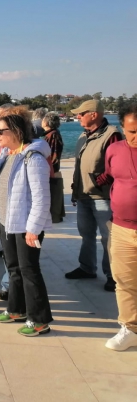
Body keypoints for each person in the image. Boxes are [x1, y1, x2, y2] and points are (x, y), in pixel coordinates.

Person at [0, 112, 54, 337]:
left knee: (29, 270)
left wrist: (34, 228)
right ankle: (16, 309)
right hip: (7, 221)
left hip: (26, 225)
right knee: (13, 268)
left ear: (16, 132)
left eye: (0, 131)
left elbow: (42, 197)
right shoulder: (6, 155)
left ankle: (39, 320)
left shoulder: (33, 158)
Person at [65, 99, 122, 292]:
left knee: (108, 238)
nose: (77, 116)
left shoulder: (111, 135)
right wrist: (77, 187)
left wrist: (99, 181)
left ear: (94, 114)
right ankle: (87, 268)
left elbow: (115, 165)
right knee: (86, 234)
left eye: (81, 113)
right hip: (83, 196)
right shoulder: (83, 135)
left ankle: (112, 276)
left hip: (102, 197)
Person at [104, 103, 137, 350]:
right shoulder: (114, 149)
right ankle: (130, 327)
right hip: (122, 228)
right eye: (132, 131)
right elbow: (111, 176)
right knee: (124, 281)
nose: (136, 137)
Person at [42, 112, 65, 223]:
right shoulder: (50, 134)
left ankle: (55, 216)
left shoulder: (53, 135)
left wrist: (50, 168)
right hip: (51, 168)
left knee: (54, 193)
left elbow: (53, 155)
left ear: (46, 122)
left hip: (52, 170)